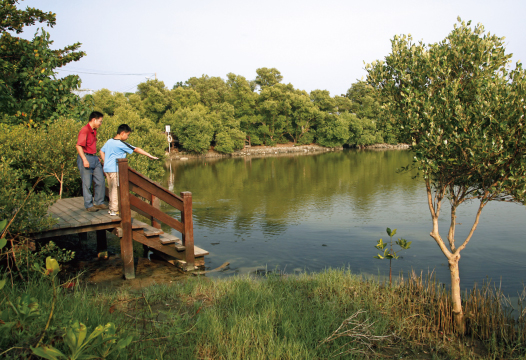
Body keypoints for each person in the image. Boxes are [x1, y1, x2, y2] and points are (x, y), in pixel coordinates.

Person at [100, 124, 159, 216]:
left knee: (111, 189)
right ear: (122, 133)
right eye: (127, 135)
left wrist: (106, 162)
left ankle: (112, 208)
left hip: (107, 169)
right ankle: (114, 210)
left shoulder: (109, 141)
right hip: (115, 169)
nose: (127, 137)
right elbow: (136, 149)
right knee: (115, 189)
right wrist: (149, 155)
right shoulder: (120, 143)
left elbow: (101, 151)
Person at [76, 111, 107, 212]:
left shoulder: (94, 131)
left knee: (101, 180)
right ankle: (89, 205)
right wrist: (84, 159)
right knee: (87, 183)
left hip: (94, 158)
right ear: (94, 120)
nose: (100, 124)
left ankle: (99, 202)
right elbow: (78, 146)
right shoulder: (85, 130)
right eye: (100, 121)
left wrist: (95, 157)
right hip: (85, 157)